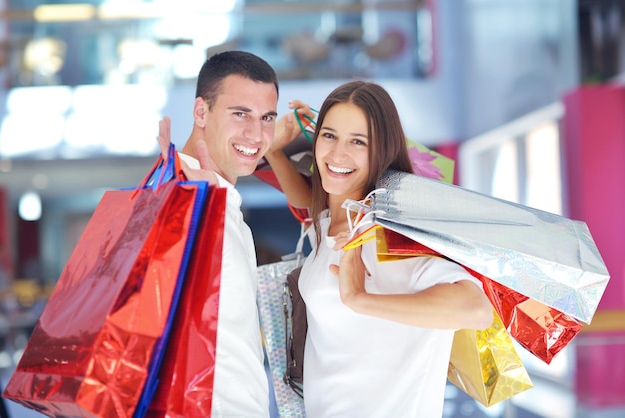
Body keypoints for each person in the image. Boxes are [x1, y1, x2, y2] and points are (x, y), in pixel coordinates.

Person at [264, 81, 494, 417]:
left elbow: (476, 309)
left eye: (358, 141)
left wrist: (359, 298)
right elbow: (312, 210)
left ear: (382, 150)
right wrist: (274, 153)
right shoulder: (332, 226)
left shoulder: (390, 235)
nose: (337, 154)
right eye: (329, 136)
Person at [155, 50, 304, 417]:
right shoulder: (185, 201)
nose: (256, 134)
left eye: (266, 117)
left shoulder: (214, 199)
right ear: (201, 112)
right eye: (240, 114)